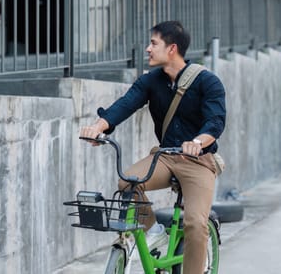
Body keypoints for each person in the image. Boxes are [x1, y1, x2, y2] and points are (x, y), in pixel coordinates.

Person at [80, 20, 226, 274]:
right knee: (128, 183)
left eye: (153, 43)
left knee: (194, 224)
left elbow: (215, 122)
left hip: (198, 161)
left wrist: (197, 142)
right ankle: (156, 232)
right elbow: (125, 104)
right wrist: (99, 126)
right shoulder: (151, 81)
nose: (148, 49)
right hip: (166, 156)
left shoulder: (208, 82)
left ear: (172, 48)